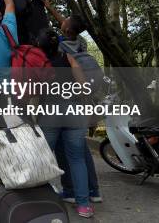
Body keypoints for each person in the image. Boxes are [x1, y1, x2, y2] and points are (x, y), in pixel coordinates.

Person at [35, 28, 95, 219]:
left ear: (40, 45)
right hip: (73, 113)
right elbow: (84, 88)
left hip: (49, 115)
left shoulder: (39, 63)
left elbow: (35, 94)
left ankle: (40, 203)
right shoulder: (69, 58)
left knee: (43, 160)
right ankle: (84, 205)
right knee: (77, 159)